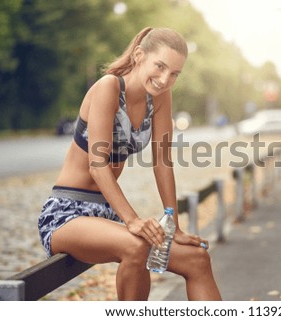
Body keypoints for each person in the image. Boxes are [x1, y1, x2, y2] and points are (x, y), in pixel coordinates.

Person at [38, 27, 222, 301]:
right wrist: (133, 220)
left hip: (107, 215)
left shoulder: (160, 97)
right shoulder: (108, 87)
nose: (164, 79)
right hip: (68, 214)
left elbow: (162, 161)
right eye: (159, 66)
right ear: (139, 55)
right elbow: (97, 165)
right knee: (135, 247)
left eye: (174, 74)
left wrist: (173, 223)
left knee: (196, 259)